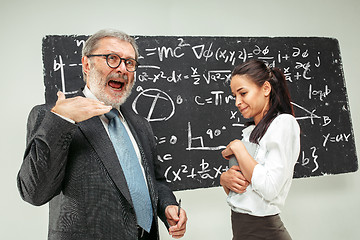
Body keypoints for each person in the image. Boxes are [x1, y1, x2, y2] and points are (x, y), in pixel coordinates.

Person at [17, 29, 187, 240]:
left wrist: (167, 206)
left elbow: (156, 181)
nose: (123, 69)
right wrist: (61, 121)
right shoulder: (51, 115)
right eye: (112, 59)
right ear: (87, 65)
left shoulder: (141, 124)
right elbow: (34, 193)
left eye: (130, 63)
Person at [220, 59, 300, 239]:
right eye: (235, 96)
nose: (237, 102)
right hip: (241, 229)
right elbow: (246, 194)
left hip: (264, 231)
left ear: (265, 88)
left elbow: (270, 189)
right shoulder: (249, 132)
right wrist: (225, 181)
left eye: (243, 93)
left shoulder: (283, 124)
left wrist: (238, 149)